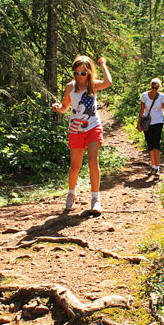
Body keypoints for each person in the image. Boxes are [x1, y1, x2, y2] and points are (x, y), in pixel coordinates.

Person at [52, 55, 112, 214]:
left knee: (93, 160)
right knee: (75, 166)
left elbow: (108, 82)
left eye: (83, 73)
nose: (79, 77)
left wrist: (103, 65)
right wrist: (58, 108)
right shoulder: (70, 87)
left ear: (89, 73)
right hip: (75, 130)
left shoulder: (93, 85)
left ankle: (95, 199)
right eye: (76, 73)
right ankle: (71, 194)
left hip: (93, 126)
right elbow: (65, 107)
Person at [137, 77, 164, 178]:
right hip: (147, 123)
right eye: (153, 87)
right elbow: (142, 110)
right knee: (150, 144)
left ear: (159, 88)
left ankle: (157, 167)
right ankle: (153, 165)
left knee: (156, 144)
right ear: (150, 86)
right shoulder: (144, 96)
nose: (154, 89)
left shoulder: (162, 97)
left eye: (156, 88)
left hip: (158, 122)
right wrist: (139, 123)